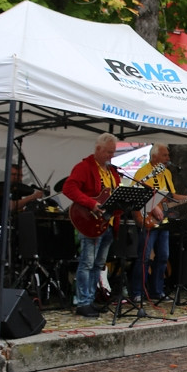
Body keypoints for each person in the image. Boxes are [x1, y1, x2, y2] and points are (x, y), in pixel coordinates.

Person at [63, 134, 122, 317]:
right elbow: (68, 188)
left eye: (113, 152)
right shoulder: (84, 167)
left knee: (98, 264)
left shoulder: (112, 171)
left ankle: (92, 298)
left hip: (108, 224)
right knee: (87, 263)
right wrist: (91, 203)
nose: (111, 156)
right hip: (91, 222)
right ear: (98, 149)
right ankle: (83, 302)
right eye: (108, 152)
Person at [130, 143, 187, 301]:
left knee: (163, 256)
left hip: (163, 220)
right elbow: (136, 193)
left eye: (168, 156)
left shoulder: (167, 173)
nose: (168, 159)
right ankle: (137, 292)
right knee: (144, 257)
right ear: (154, 156)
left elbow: (171, 196)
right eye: (165, 155)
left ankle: (157, 291)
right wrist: (153, 206)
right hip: (147, 218)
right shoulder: (143, 172)